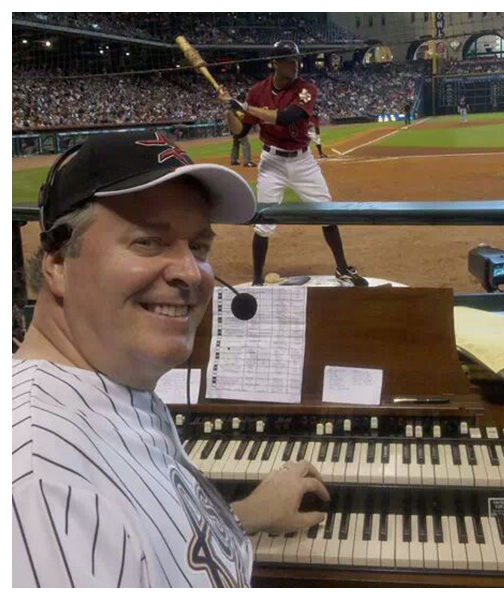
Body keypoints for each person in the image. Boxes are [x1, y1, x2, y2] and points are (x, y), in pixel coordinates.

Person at [12, 131, 330, 588]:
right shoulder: (39, 488)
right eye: (148, 242)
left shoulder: (113, 382)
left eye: (198, 247)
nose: (190, 273)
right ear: (58, 263)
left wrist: (241, 517)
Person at [219, 40, 368, 288]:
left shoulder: (305, 89)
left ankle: (342, 268)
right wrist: (228, 111)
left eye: (296, 60)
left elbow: (288, 117)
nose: (295, 65)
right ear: (275, 63)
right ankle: (257, 282)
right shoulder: (257, 92)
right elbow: (239, 133)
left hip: (302, 161)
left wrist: (246, 108)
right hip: (271, 163)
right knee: (264, 221)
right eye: (289, 61)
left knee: (328, 213)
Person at [230, 95, 256, 167]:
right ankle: (247, 162)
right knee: (246, 145)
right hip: (239, 129)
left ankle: (234, 160)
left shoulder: (232, 109)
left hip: (234, 130)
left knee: (235, 144)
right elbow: (242, 117)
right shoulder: (237, 109)